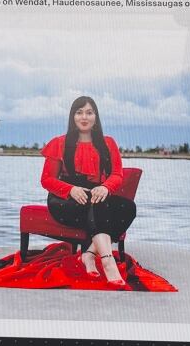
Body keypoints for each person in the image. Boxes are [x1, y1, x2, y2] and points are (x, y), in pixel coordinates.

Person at [41, 96, 136, 287]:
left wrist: (105, 187)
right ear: (72, 117)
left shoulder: (108, 143)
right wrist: (71, 189)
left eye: (89, 112)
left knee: (128, 208)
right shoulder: (59, 143)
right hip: (65, 200)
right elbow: (46, 180)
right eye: (79, 112)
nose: (84, 117)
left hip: (96, 196)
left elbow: (117, 174)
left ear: (96, 117)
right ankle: (108, 262)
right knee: (100, 205)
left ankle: (89, 255)